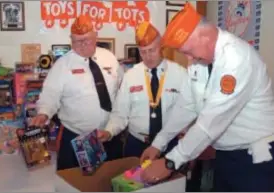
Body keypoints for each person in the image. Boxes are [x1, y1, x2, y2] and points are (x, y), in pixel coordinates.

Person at [140, 3, 274, 192]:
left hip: (254, 158)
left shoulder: (236, 59)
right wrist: (158, 143)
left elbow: (210, 121)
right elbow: (186, 107)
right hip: (225, 155)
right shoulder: (199, 60)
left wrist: (171, 162)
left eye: (187, 51)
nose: (188, 59)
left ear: (204, 35)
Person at [30, 15, 124, 171]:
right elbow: (50, 95)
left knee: (109, 181)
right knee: (73, 183)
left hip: (109, 135)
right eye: (76, 41)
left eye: (86, 40)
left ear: (96, 37)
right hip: (76, 138)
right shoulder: (62, 65)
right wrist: (43, 114)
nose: (81, 45)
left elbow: (121, 87)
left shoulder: (109, 57)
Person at [97, 22, 190, 158]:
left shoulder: (180, 74)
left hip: (170, 144)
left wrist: (186, 139)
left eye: (152, 50)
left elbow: (188, 111)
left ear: (161, 47)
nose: (147, 56)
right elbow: (120, 114)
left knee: (172, 180)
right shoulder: (131, 76)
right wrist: (109, 132)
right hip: (137, 145)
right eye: (143, 52)